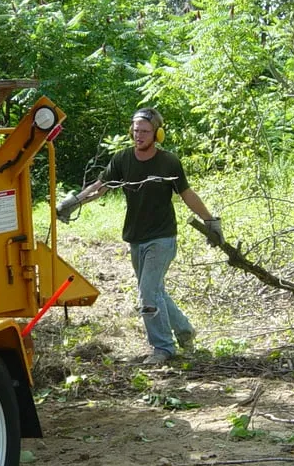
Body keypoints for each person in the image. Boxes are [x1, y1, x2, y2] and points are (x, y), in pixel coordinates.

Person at [56, 107, 222, 365]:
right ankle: (185, 331)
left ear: (157, 134)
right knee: (155, 290)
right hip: (136, 237)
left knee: (147, 292)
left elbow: (187, 194)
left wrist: (210, 220)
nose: (139, 135)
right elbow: (100, 187)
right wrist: (74, 202)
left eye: (144, 131)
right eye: (135, 131)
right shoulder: (122, 159)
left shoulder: (168, 162)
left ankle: (163, 348)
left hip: (162, 237)